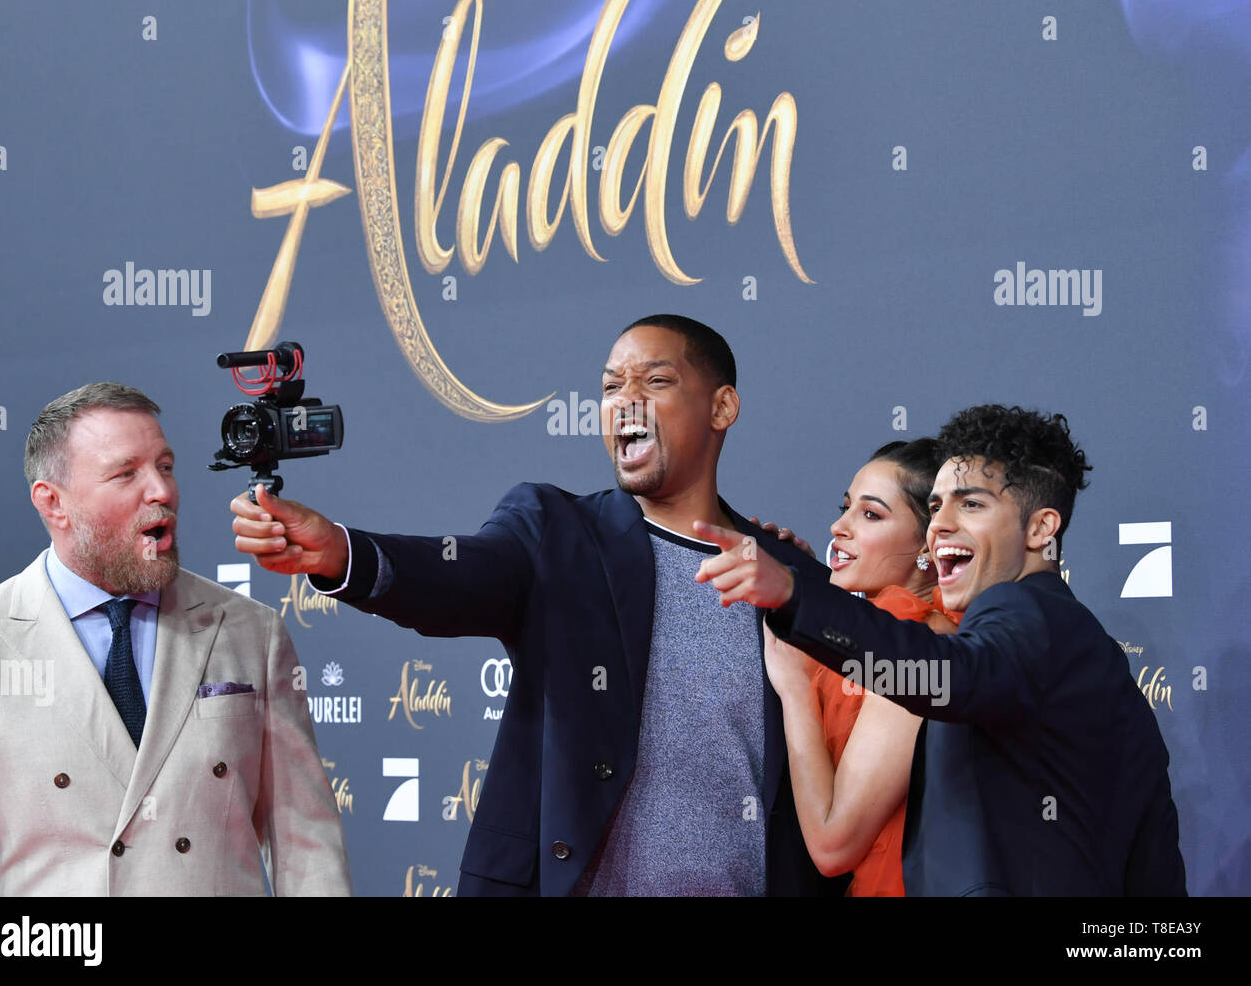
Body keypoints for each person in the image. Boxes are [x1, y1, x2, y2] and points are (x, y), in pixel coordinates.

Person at [231, 315, 845, 897]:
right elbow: (461, 576)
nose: (625, 400)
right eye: (610, 386)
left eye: (656, 380)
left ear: (722, 407)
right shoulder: (557, 530)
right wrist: (343, 552)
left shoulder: (786, 575)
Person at [695, 405, 1186, 896]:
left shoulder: (1028, 614)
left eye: (970, 505)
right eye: (935, 507)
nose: (941, 525)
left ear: (1040, 530)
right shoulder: (1067, 641)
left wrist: (797, 597)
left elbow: (942, 676)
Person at [0, 383, 351, 896]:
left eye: (165, 466)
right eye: (126, 474)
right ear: (53, 504)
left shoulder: (251, 632)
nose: (161, 491)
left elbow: (306, 842)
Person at [762, 439, 959, 896]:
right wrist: (802, 584)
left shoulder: (924, 647)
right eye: (845, 507)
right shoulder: (878, 637)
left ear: (929, 545)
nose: (838, 526)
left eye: (871, 515)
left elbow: (834, 847)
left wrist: (794, 688)